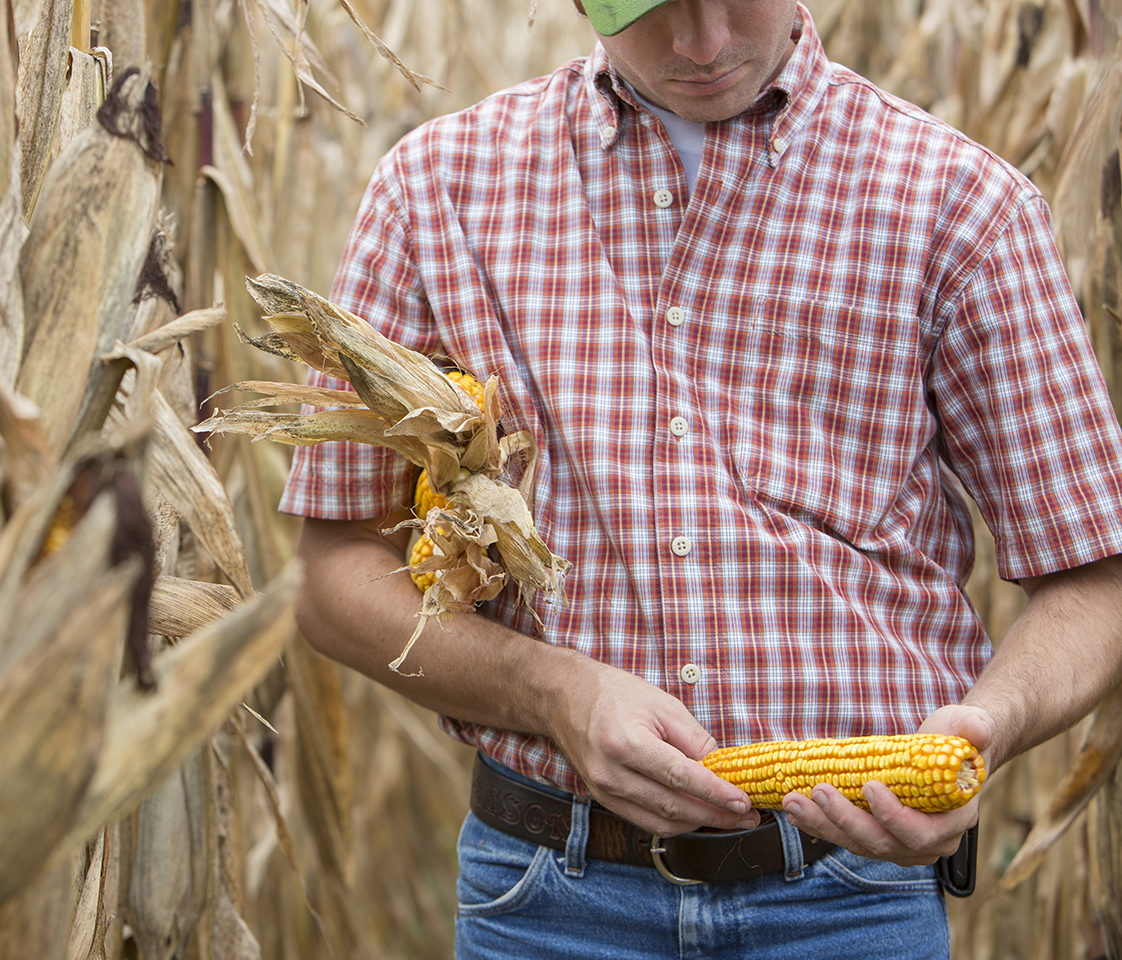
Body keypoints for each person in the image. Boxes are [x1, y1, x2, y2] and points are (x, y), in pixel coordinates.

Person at [277, 0, 1122, 953]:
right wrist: (549, 690)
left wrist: (988, 727)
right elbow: (333, 571)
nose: (702, 44)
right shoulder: (438, 192)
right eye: (649, 9)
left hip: (849, 903)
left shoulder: (961, 204)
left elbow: (1093, 577)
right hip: (549, 899)